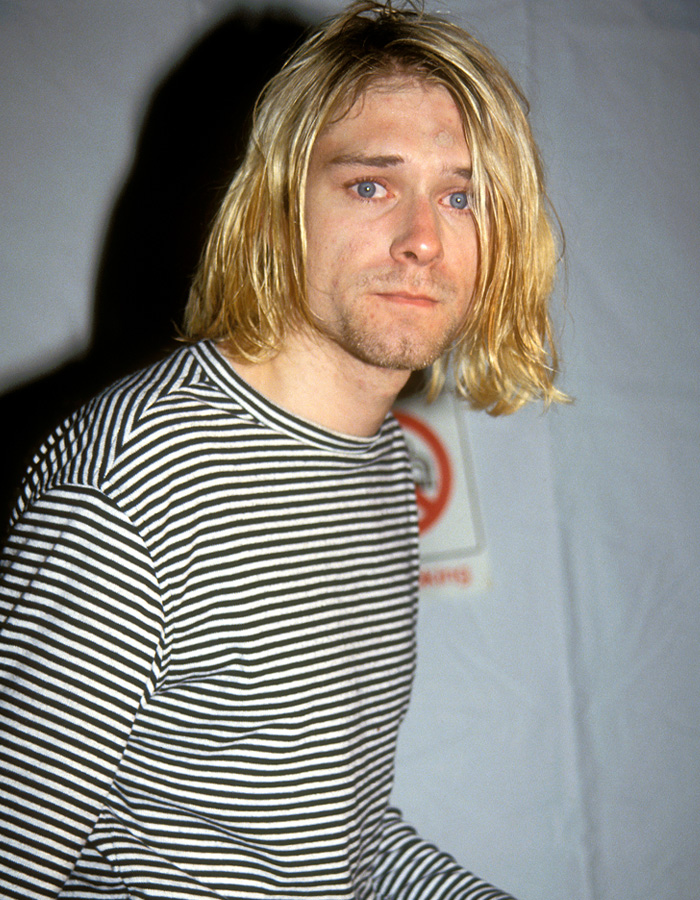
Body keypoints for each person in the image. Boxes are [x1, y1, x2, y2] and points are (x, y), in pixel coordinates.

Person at [0, 2, 565, 897]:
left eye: (461, 195)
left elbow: (349, 844)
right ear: (278, 204)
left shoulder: (375, 467)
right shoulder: (135, 477)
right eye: (372, 184)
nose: (424, 237)